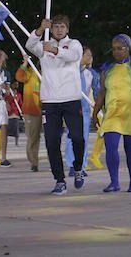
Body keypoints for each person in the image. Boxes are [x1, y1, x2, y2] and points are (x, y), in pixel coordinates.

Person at [25, 16, 86, 195]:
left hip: (71, 98)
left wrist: (54, 49)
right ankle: (59, 180)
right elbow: (29, 45)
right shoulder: (43, 45)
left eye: (62, 26)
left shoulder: (74, 44)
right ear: (51, 29)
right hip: (50, 101)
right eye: (56, 26)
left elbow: (72, 56)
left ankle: (77, 168)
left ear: (67, 29)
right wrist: (38, 30)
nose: (59, 29)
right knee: (52, 141)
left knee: (77, 138)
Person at [91, 34, 131, 193]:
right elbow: (102, 92)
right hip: (112, 112)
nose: (116, 52)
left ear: (128, 48)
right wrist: (95, 112)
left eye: (120, 48)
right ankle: (114, 182)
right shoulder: (107, 68)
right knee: (110, 146)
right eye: (114, 49)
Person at [65, 47, 100, 177]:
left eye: (91, 55)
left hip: (85, 110)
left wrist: (99, 107)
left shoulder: (91, 74)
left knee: (83, 139)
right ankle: (71, 165)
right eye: (87, 54)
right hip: (71, 108)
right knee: (71, 137)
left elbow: (97, 92)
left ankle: (82, 165)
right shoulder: (71, 71)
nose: (90, 57)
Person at [15, 57, 42, 171]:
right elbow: (19, 77)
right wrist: (25, 63)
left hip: (49, 110)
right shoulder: (31, 72)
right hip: (31, 110)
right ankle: (34, 162)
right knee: (32, 137)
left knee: (42, 138)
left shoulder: (51, 73)